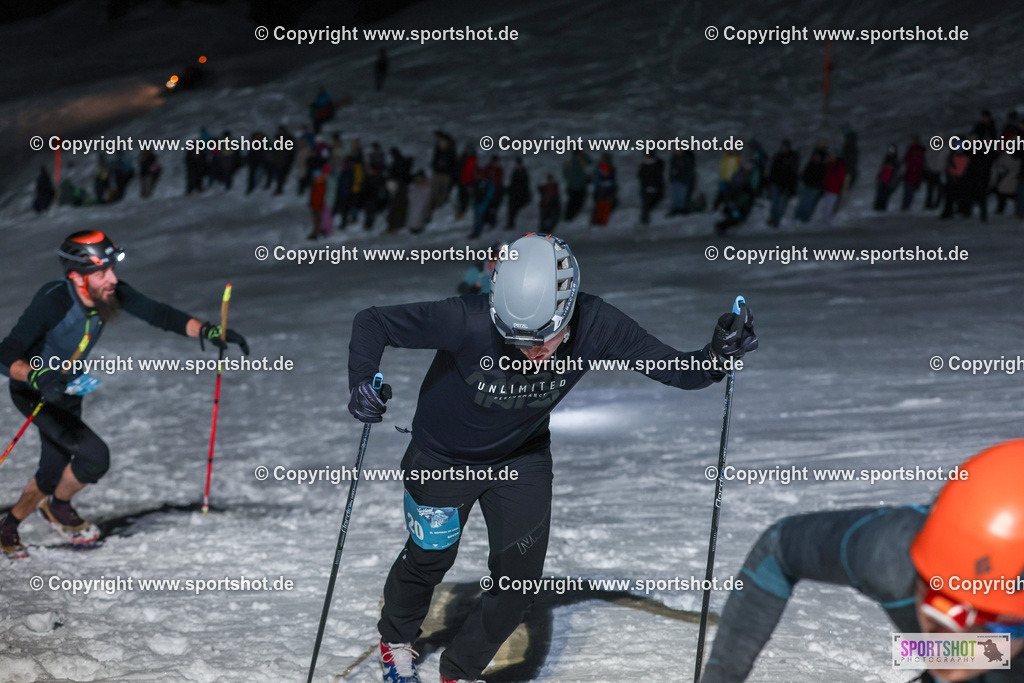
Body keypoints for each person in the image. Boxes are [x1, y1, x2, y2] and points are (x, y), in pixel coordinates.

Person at [347, 233, 759, 683]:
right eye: (518, 341)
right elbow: (373, 323)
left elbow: (679, 370)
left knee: (519, 582)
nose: (532, 353)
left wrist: (719, 356)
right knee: (429, 558)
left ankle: (459, 670)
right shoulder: (466, 319)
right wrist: (363, 382)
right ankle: (396, 640)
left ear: (566, 311)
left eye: (544, 339)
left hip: (520, 459)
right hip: (441, 458)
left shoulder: (597, 323)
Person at [0, 232, 249, 558]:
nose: (112, 279)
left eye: (112, 270)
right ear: (76, 276)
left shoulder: (108, 293)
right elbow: (6, 354)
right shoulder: (54, 300)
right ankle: (54, 507)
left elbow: (159, 314)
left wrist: (207, 330)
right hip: (34, 391)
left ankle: (25, 519)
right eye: (102, 273)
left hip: (68, 390)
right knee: (93, 456)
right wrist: (37, 375)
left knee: (54, 465)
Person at [701, 440, 1024, 683]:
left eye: (987, 622)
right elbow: (778, 548)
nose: (951, 637)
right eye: (942, 603)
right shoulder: (891, 555)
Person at [766, 140, 799, 227]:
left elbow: (793, 173)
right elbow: (772, 170)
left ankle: (776, 220)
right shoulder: (778, 156)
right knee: (775, 203)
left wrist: (791, 186)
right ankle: (773, 218)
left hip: (786, 185)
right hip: (776, 183)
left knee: (781, 204)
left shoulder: (792, 158)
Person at [562, 151, 592, 221]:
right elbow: (565, 173)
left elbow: (590, 163)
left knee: (576, 203)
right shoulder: (571, 163)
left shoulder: (580, 162)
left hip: (578, 186)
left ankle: (569, 217)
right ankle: (568, 217)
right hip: (575, 187)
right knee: (574, 203)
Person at [638, 152, 665, 225]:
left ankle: (646, 220)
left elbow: (658, 178)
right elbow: (641, 176)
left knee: (650, 205)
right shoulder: (644, 165)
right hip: (646, 189)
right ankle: (644, 221)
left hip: (654, 189)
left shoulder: (655, 165)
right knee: (645, 206)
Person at [668, 149, 696, 215]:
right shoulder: (674, 158)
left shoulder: (686, 159)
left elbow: (688, 170)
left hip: (684, 180)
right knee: (675, 196)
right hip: (676, 180)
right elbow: (672, 169)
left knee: (682, 196)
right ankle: (675, 209)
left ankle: (682, 209)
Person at [505, 159, 531, 230]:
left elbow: (525, 184)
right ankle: (511, 224)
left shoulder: (523, 172)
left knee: (516, 210)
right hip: (514, 194)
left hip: (520, 194)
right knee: (511, 210)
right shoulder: (515, 172)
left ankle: (512, 224)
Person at [902, 135, 926, 210]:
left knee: (909, 191)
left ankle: (906, 205)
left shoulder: (916, 150)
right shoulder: (913, 149)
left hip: (913, 173)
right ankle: (906, 205)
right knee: (908, 191)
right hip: (911, 173)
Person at [874, 144, 901, 211]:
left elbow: (896, 172)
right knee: (880, 195)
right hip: (883, 179)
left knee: (885, 196)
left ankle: (882, 208)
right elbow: (883, 168)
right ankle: (877, 207)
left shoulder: (895, 160)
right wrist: (879, 176)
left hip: (889, 180)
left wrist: (894, 182)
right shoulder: (887, 158)